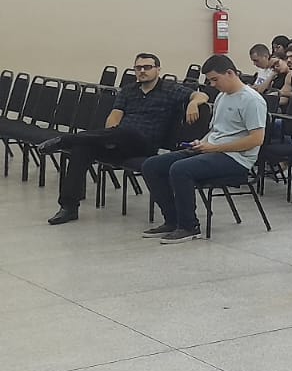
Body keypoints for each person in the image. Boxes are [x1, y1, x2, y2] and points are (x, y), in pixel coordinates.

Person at [40, 53, 208, 225]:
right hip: (119, 140)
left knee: (125, 132)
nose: (142, 71)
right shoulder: (128, 91)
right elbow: (114, 116)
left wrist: (193, 104)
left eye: (147, 67)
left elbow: (201, 96)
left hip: (144, 144)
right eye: (138, 68)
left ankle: (65, 140)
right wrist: (108, 137)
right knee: (81, 149)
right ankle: (68, 207)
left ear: (158, 69)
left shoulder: (170, 89)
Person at [135, 56, 265, 243]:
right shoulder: (222, 96)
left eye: (215, 79)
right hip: (213, 149)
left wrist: (214, 147)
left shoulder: (252, 100)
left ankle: (189, 226)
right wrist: (202, 143)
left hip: (236, 159)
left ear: (230, 73)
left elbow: (256, 139)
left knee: (180, 169)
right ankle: (172, 220)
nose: (212, 85)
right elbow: (217, 131)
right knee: (152, 165)